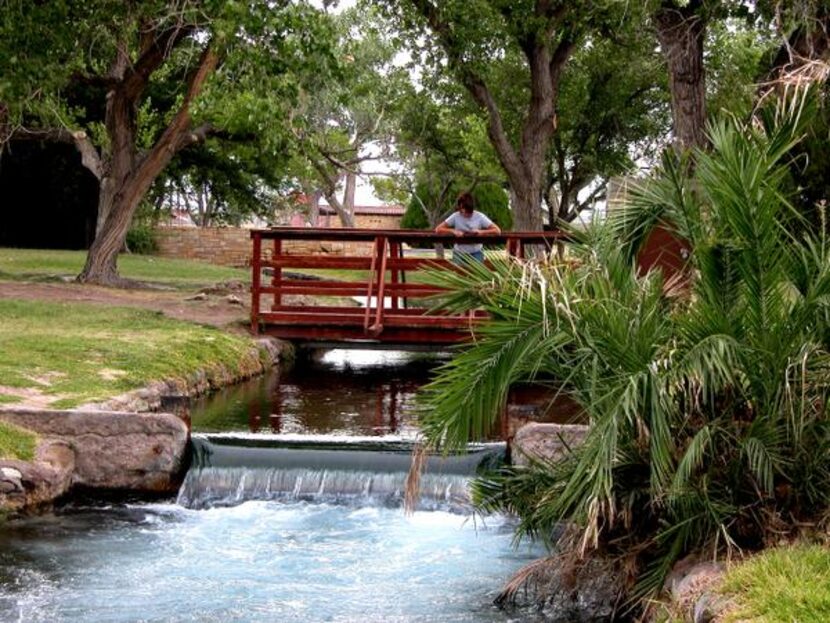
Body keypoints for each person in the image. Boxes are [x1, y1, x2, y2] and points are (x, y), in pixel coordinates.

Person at [435, 192, 501, 263]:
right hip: (459, 252)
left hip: (476, 252)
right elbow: (438, 229)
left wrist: (481, 232)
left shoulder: (479, 216)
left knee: (476, 274)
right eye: (462, 211)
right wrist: (453, 231)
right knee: (458, 273)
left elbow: (497, 230)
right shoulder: (455, 216)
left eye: (468, 212)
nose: (465, 214)